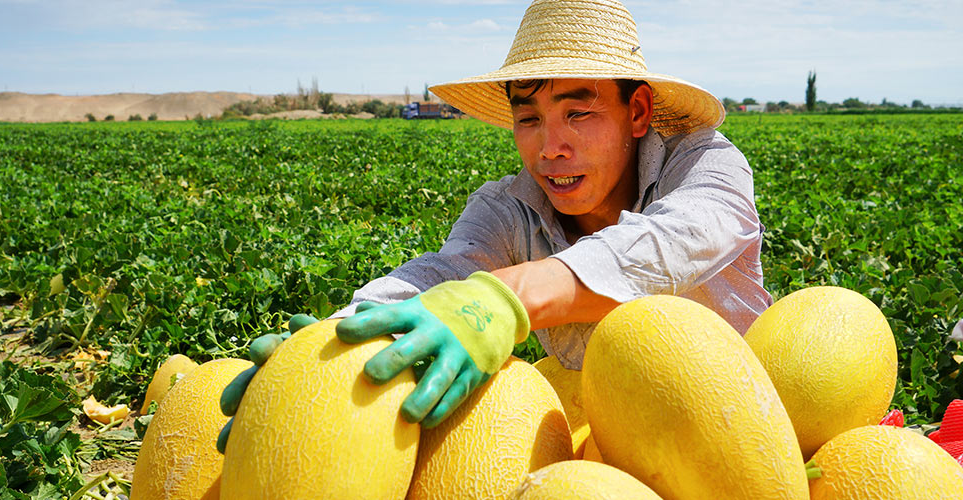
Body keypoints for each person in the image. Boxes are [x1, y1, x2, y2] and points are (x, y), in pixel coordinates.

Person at [217, 0, 772, 451]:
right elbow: (438, 277)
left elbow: (671, 244)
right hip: (606, 444)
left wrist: (502, 301)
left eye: (578, 113)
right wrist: (328, 344)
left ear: (638, 112)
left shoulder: (705, 166)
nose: (550, 149)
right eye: (528, 119)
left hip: (754, 431)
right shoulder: (506, 207)